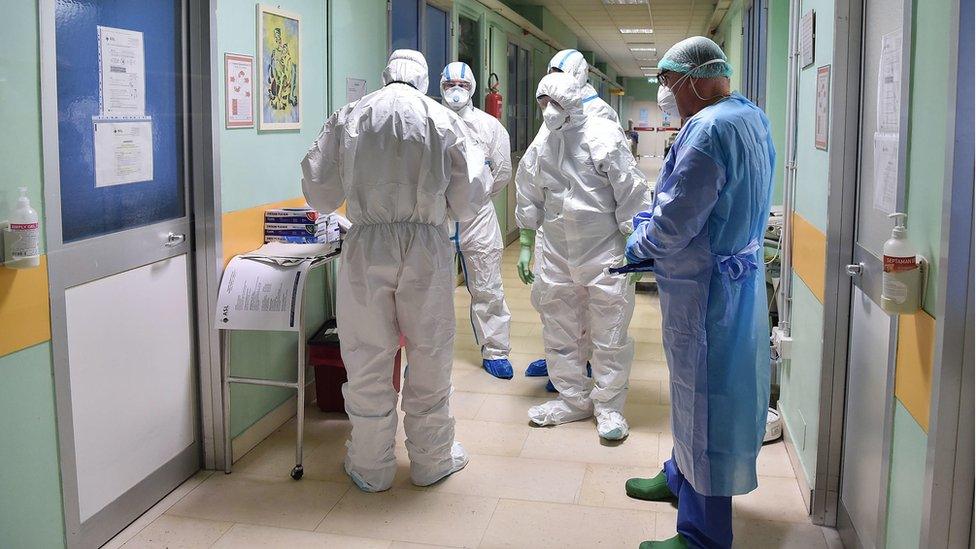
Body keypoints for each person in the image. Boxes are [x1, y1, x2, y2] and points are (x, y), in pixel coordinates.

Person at [301, 50, 489, 493]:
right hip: (425, 243)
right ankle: (431, 460)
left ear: (384, 75)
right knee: (431, 350)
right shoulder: (443, 120)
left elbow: (319, 192)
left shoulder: (351, 116)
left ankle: (371, 464)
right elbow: (468, 197)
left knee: (366, 353)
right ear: (424, 80)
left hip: (367, 244)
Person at [622, 36, 775, 548]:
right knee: (694, 392)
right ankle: (680, 476)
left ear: (696, 80)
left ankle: (704, 534)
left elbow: (678, 218)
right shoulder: (748, 115)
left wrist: (638, 242)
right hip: (731, 281)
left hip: (706, 290)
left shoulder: (707, 130)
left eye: (669, 81)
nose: (666, 93)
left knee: (704, 400)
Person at [514, 72, 650, 441]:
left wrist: (637, 245)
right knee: (559, 328)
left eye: (555, 103)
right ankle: (572, 398)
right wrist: (527, 241)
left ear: (575, 102)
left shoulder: (604, 136)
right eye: (542, 102)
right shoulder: (543, 144)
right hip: (558, 250)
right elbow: (527, 190)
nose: (548, 111)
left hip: (603, 250)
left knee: (609, 333)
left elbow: (632, 194)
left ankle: (609, 407)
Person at [519, 49, 621, 383]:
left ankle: (584, 361)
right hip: (557, 231)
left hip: (595, 235)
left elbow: (620, 177)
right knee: (554, 301)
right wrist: (525, 235)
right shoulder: (551, 119)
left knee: (597, 306)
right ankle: (564, 368)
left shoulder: (599, 116)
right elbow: (532, 174)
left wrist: (633, 235)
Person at [439, 62, 515, 379]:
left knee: (488, 288)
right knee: (430, 289)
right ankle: (428, 353)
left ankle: (495, 351)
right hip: (436, 217)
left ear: (472, 87)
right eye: (449, 84)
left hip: (478, 218)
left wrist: (475, 197)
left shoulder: (490, 127)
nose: (456, 91)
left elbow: (502, 171)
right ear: (440, 86)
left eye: (462, 84)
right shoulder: (429, 120)